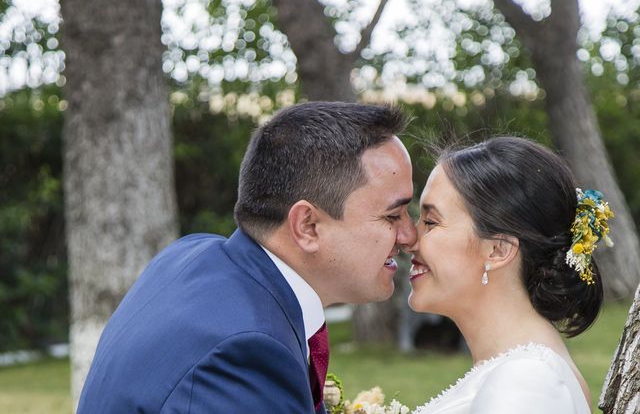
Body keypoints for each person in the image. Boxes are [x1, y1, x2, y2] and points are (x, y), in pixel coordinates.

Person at [77, 101, 417, 413]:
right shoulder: (247, 353)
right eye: (392, 216)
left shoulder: (189, 256)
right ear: (308, 226)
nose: (409, 236)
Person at [408, 136, 612, 414]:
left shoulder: (527, 382)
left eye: (430, 222)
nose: (409, 238)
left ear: (498, 250)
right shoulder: (519, 373)